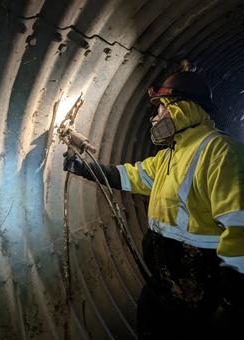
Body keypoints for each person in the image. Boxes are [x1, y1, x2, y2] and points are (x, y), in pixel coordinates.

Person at [63, 71, 244, 339]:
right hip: (166, 277)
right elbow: (133, 175)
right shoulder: (171, 154)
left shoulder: (221, 152)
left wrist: (231, 297)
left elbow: (239, 224)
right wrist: (85, 168)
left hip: (200, 279)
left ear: (183, 108)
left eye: (161, 107)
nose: (156, 116)